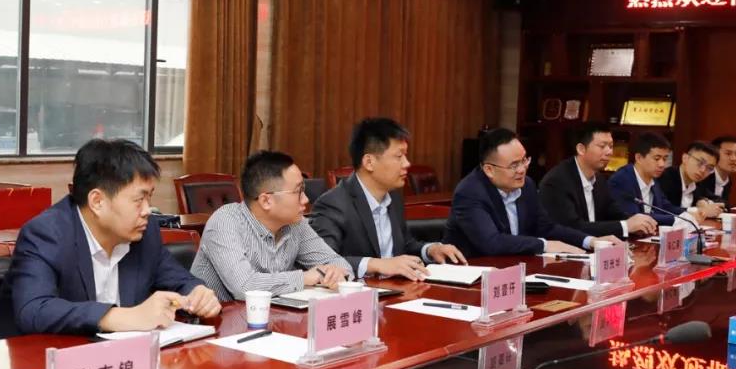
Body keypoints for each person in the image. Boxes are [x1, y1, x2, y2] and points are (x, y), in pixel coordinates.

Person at [0, 138, 220, 339]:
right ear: (97, 201)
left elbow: (179, 280)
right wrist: (122, 317)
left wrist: (197, 293)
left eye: (149, 198)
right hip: (35, 363)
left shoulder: (144, 232)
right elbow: (34, 309)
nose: (147, 210)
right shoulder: (47, 233)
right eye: (138, 200)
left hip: (115, 359)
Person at [309, 118, 466, 281]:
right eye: (399, 156)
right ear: (369, 162)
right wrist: (377, 264)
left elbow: (404, 246)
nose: (407, 163)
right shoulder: (333, 204)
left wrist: (430, 250)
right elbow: (322, 263)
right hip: (358, 292)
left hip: (396, 289)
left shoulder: (394, 196)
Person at [191, 150, 353, 301]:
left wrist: (336, 273)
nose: (306, 199)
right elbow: (244, 286)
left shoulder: (296, 224)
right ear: (266, 200)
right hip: (219, 319)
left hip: (272, 315)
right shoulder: (225, 222)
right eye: (298, 192)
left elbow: (339, 264)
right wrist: (304, 278)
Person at [443, 128, 620, 257]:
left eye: (524, 161)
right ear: (489, 169)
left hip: (517, 270)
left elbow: (546, 227)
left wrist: (589, 241)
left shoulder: (526, 185)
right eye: (514, 165)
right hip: (474, 276)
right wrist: (544, 245)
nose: (522, 170)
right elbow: (491, 243)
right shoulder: (470, 193)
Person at [539, 122, 658, 238]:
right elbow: (572, 228)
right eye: (602, 146)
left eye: (611, 146)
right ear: (581, 149)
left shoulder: (599, 179)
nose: (609, 152)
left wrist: (636, 223)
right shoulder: (557, 181)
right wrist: (625, 226)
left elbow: (613, 213)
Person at [609, 133, 703, 226]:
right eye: (657, 159)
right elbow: (636, 217)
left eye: (665, 159)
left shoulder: (653, 180)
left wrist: (688, 213)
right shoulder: (621, 180)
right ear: (639, 158)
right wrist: (676, 219)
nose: (662, 164)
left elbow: (665, 206)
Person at [658, 141, 724, 218]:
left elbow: (721, 202)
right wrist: (700, 210)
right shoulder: (665, 177)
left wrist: (706, 201)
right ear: (685, 158)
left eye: (709, 168)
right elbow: (664, 209)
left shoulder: (698, 184)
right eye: (700, 162)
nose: (703, 170)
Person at [695, 135, 736, 206]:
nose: (734, 158)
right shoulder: (703, 175)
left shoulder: (727, 180)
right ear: (714, 154)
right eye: (728, 153)